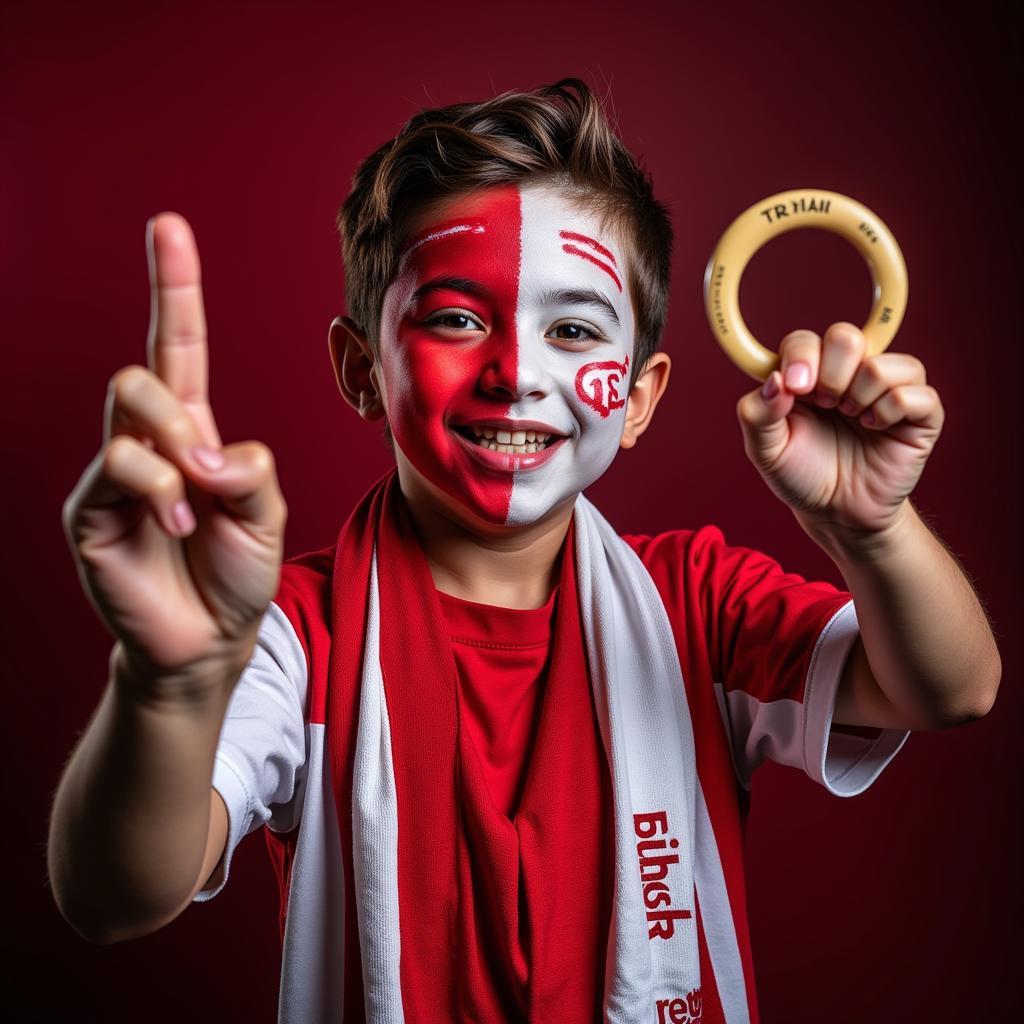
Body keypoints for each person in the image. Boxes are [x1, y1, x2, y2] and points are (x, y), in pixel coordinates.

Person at [48, 79, 1001, 1023]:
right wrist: (166, 686)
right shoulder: (294, 637)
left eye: (575, 328)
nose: (515, 373)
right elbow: (116, 895)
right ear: (359, 368)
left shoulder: (696, 607)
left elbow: (949, 689)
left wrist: (872, 529)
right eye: (457, 318)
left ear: (637, 397)